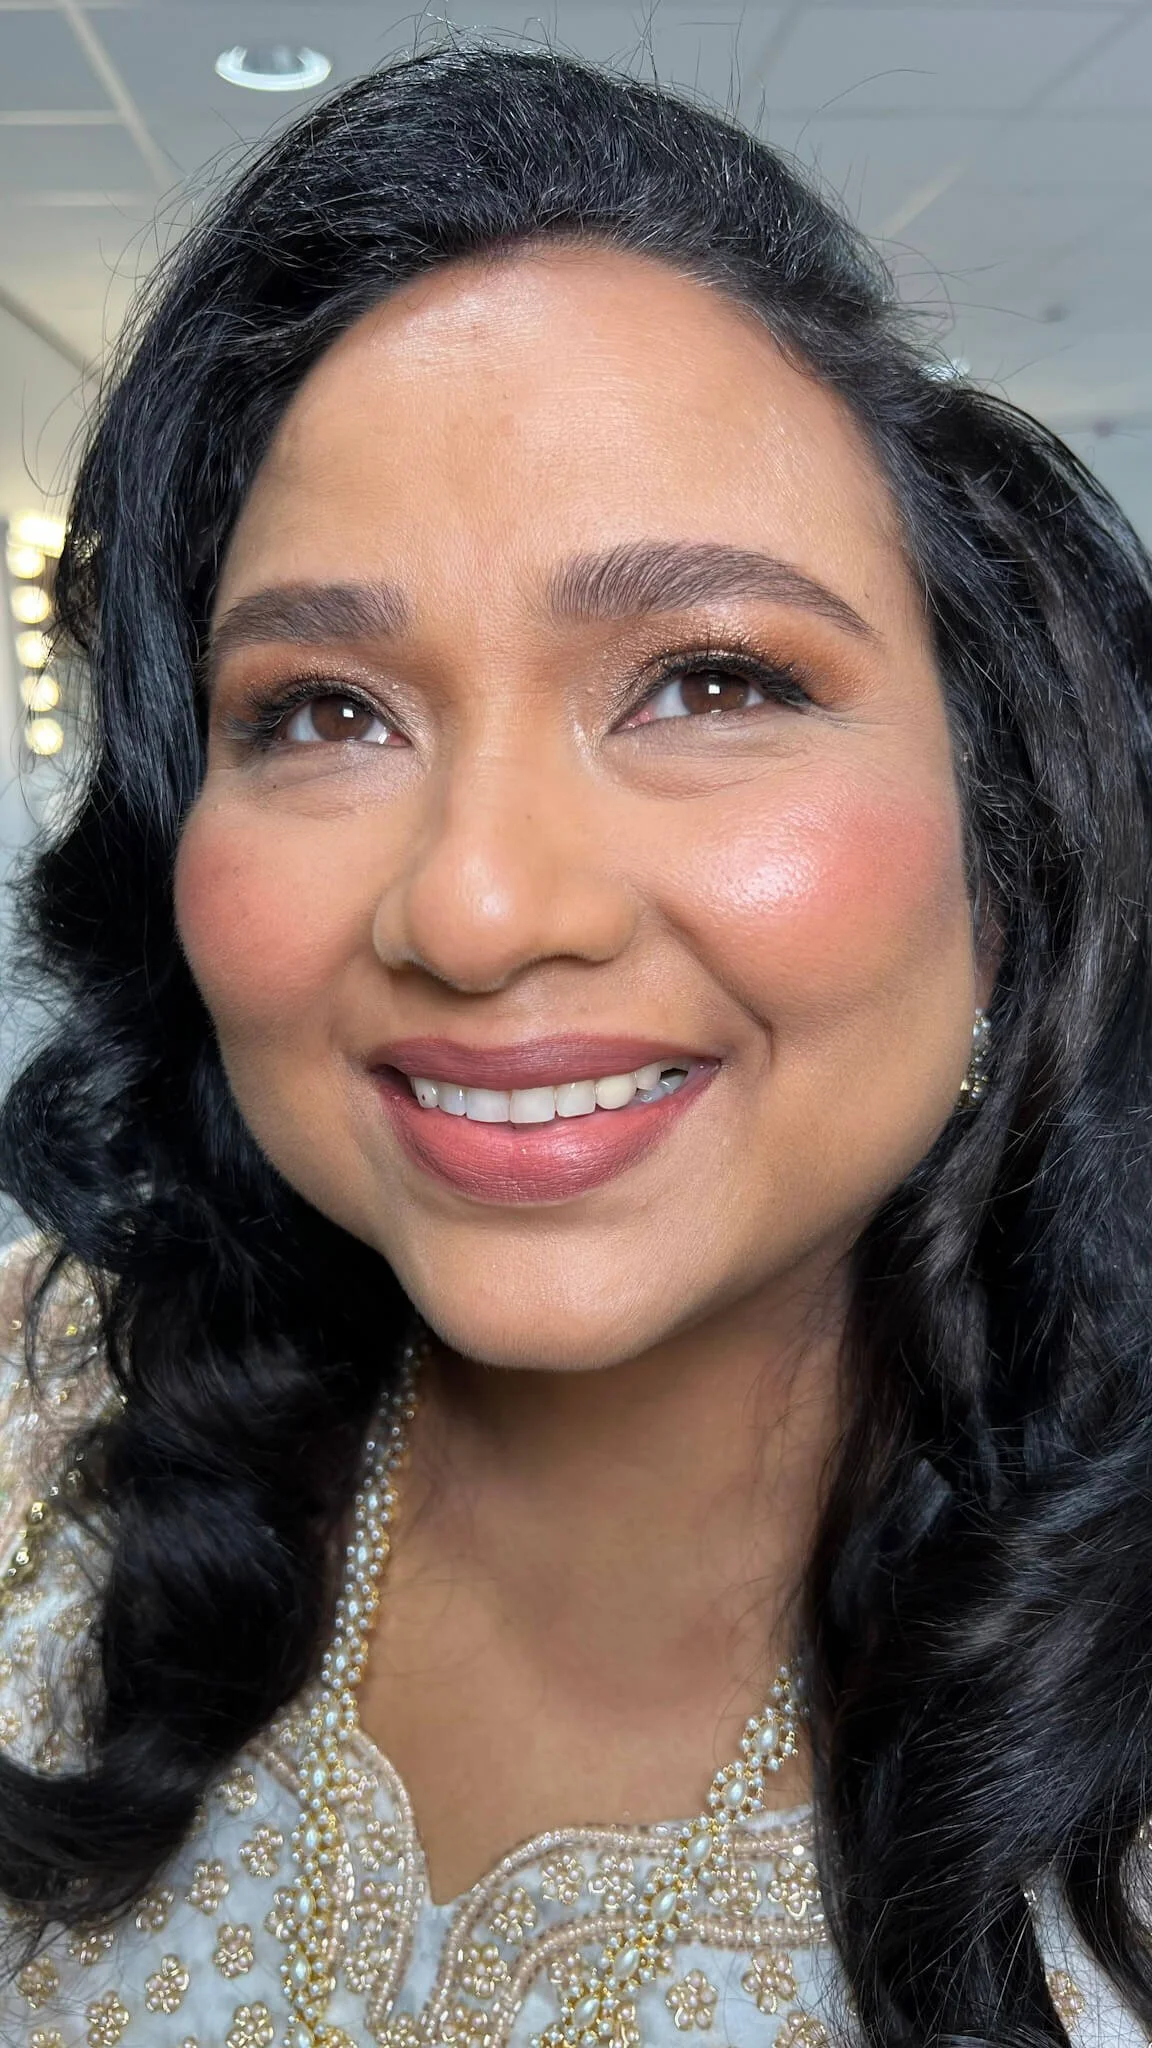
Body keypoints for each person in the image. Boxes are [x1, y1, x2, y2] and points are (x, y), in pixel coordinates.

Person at [0, 38, 1150, 2048]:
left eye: (708, 678)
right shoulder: (25, 1450)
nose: (480, 904)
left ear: (1010, 817)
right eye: (324, 712)